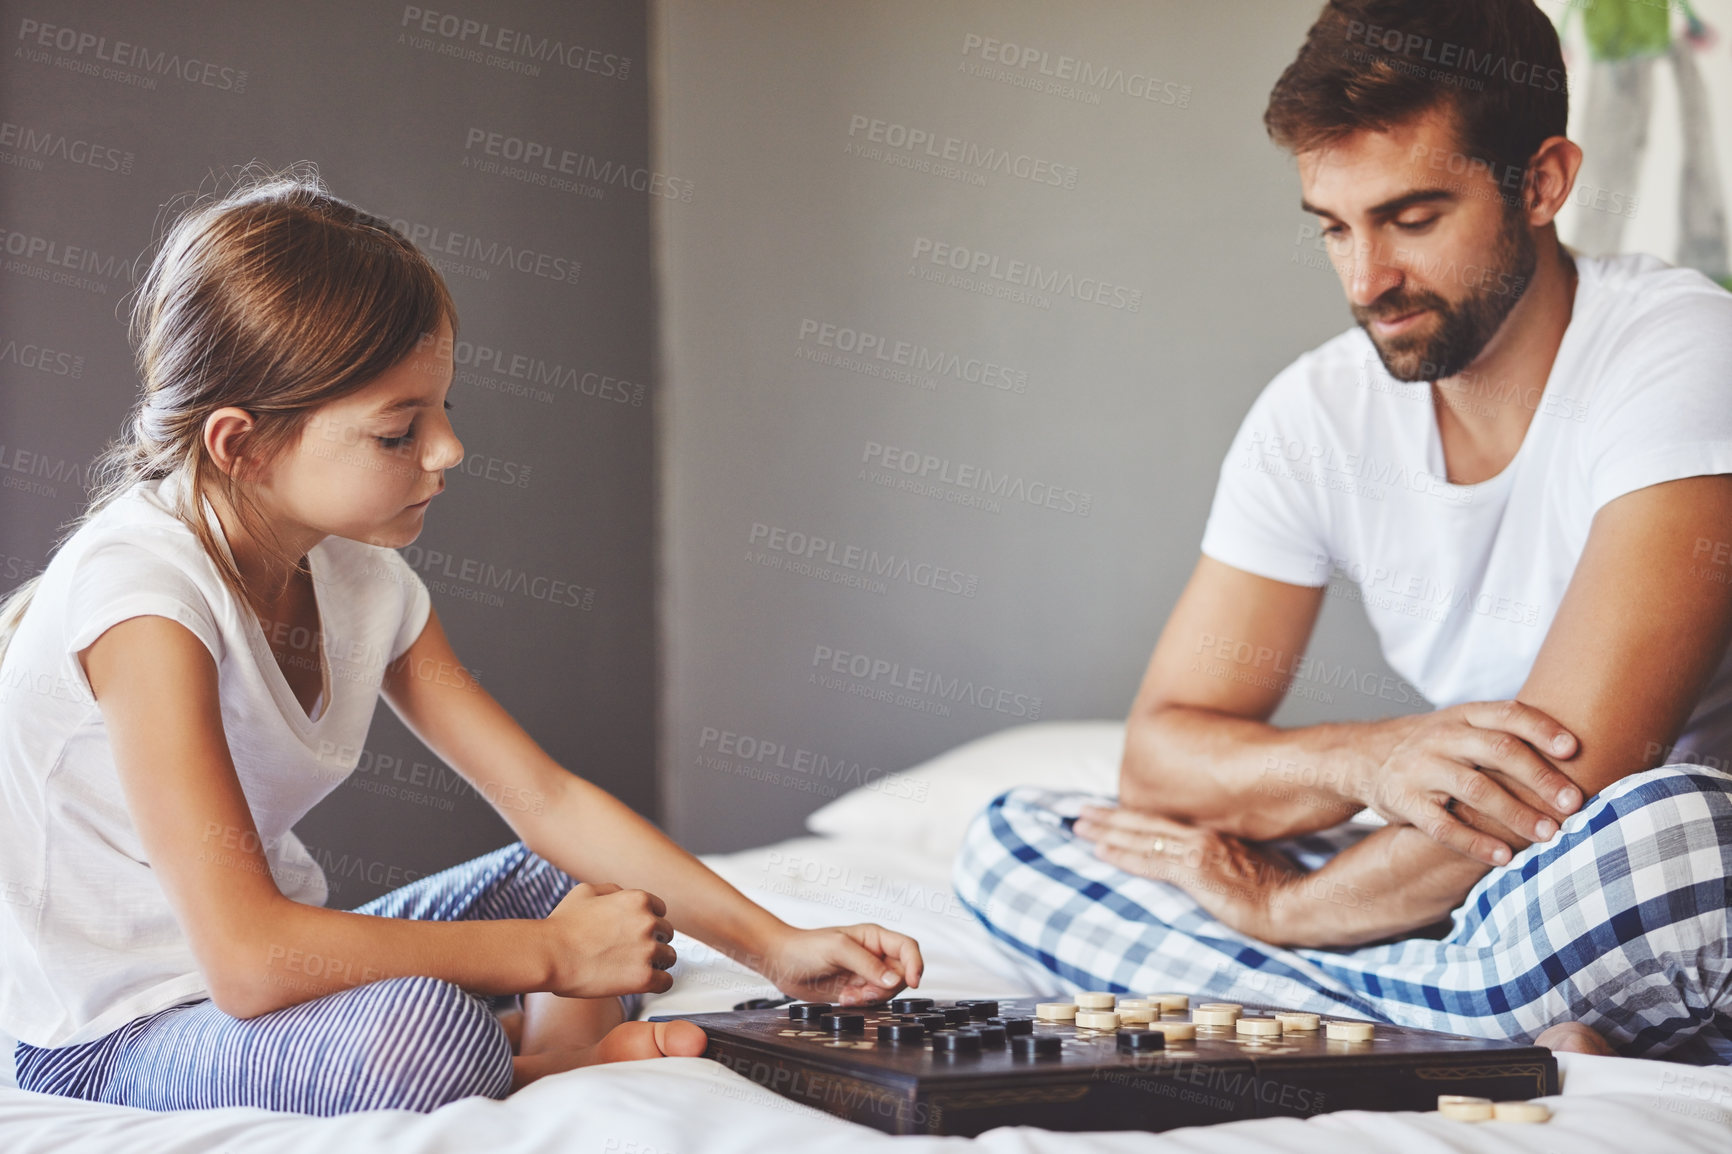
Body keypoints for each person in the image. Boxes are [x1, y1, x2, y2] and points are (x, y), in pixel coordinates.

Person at [0, 167, 923, 1116]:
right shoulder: (144, 599)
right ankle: (538, 1070)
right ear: (242, 445)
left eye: (443, 410)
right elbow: (246, 961)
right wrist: (555, 954)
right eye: (399, 432)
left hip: (278, 976)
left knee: (589, 872)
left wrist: (774, 947)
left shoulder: (362, 577)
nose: (448, 451)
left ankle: (551, 1045)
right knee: (422, 1031)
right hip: (116, 1035)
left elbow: (548, 799)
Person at [955, 0, 1732, 1063]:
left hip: (1614, 862)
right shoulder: (1315, 415)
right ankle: (1471, 1014)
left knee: (1679, 843)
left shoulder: (1680, 349)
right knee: (1014, 838)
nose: (1366, 281)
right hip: (1457, 880)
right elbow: (1165, 754)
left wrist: (1284, 909)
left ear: (1542, 181)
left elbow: (1567, 780)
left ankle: (1331, 995)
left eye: (1412, 218)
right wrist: (1368, 761)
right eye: (1333, 226)